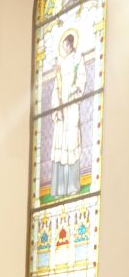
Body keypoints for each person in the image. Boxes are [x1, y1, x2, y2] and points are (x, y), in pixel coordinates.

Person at [51, 31, 86, 198]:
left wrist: (74, 90)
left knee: (71, 142)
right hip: (61, 109)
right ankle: (59, 189)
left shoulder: (78, 58)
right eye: (64, 45)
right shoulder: (61, 64)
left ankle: (72, 186)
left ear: (72, 44)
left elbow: (82, 79)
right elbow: (56, 87)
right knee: (60, 142)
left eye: (68, 44)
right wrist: (56, 106)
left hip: (71, 106)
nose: (66, 47)